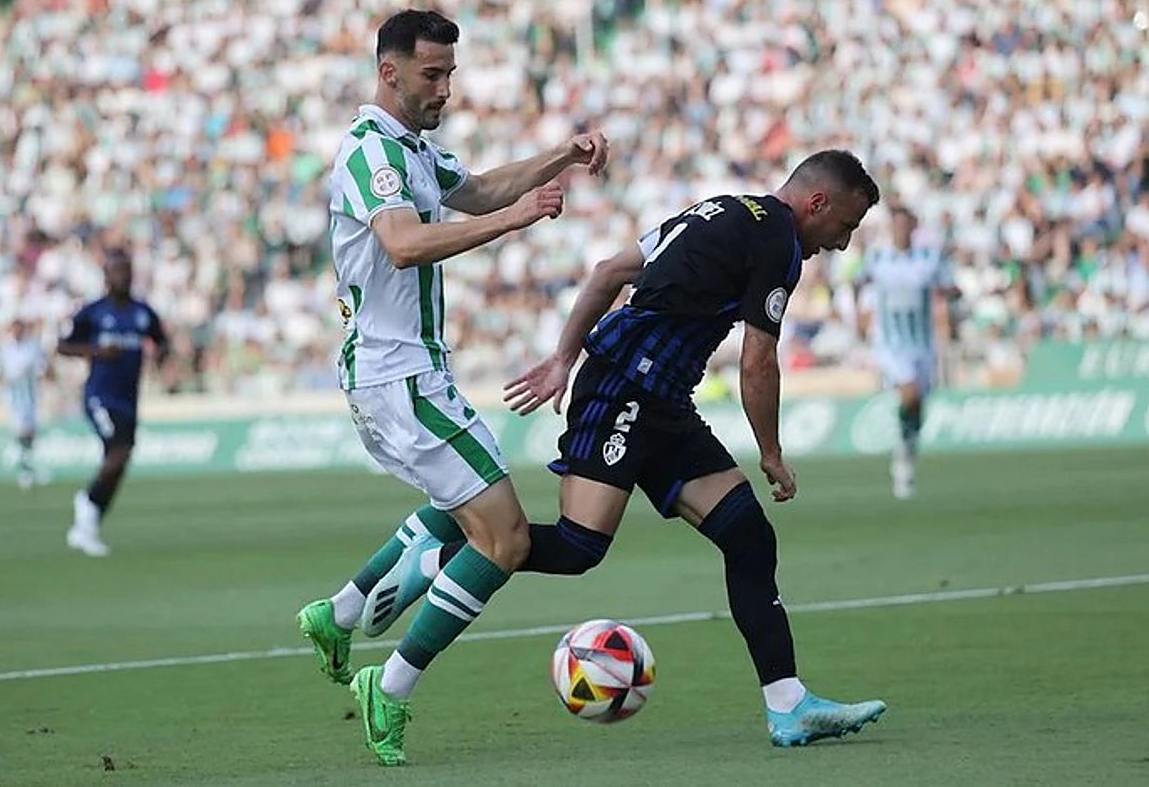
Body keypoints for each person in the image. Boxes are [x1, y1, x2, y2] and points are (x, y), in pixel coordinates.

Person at [367, 150, 889, 748]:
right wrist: (770, 452)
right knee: (577, 544)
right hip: (626, 387)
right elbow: (758, 360)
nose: (843, 244)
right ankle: (436, 559)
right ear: (816, 203)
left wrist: (564, 358)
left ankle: (788, 705)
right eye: (845, 226)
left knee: (747, 534)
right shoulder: (778, 241)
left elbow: (609, 272)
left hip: (660, 400)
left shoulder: (716, 209)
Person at [293, 8, 608, 767]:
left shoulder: (412, 149)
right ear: (388, 71)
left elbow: (480, 187)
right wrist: (512, 222)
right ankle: (391, 686)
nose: (445, 88)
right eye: (431, 75)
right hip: (399, 377)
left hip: (408, 373)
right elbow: (402, 246)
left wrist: (557, 158)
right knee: (503, 538)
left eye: (451, 74)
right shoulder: (370, 151)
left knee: (455, 508)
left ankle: (338, 615)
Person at [57, 248, 170, 557]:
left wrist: (159, 354)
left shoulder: (142, 312)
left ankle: (89, 522)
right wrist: (96, 351)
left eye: (128, 270)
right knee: (117, 456)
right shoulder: (92, 312)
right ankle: (86, 505)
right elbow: (63, 345)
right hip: (100, 396)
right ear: (106, 276)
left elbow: (162, 341)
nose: (125, 276)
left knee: (120, 463)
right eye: (118, 270)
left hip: (129, 400)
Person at [858, 207, 959, 498]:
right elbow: (860, 286)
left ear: (913, 227)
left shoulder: (928, 260)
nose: (901, 230)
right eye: (897, 225)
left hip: (923, 343)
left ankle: (906, 450)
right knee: (910, 392)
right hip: (890, 343)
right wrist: (862, 321)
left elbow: (948, 285)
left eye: (906, 224)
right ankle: (903, 454)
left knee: (917, 406)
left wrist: (953, 295)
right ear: (892, 228)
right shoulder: (877, 259)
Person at [0, 318, 51, 489]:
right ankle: (25, 470)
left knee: (31, 433)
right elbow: (4, 372)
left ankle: (28, 466)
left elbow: (40, 368)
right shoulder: (5, 349)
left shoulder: (32, 346)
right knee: (21, 431)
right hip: (14, 396)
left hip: (31, 395)